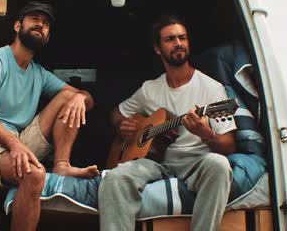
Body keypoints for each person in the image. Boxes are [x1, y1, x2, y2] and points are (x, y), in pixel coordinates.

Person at [0, 1, 99, 231]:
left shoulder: (38, 74)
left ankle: (62, 165)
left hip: (17, 140)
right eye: (34, 19)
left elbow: (89, 102)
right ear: (17, 26)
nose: (40, 25)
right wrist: (15, 146)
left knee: (69, 98)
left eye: (45, 24)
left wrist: (80, 96)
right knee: (34, 175)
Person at [98, 15, 237, 231]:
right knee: (115, 177)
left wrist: (205, 133)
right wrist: (123, 126)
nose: (179, 43)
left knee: (219, 165)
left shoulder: (212, 89)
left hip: (196, 163)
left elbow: (229, 145)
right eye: (170, 39)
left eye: (182, 37)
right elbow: (115, 114)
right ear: (157, 48)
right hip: (158, 163)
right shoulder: (149, 89)